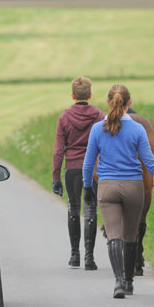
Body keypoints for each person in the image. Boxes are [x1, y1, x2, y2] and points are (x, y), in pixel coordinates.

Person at [82, 85, 154, 298]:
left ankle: (118, 283)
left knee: (113, 235)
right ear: (129, 103)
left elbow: (88, 164)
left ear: (108, 102)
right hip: (134, 187)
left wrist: (88, 188)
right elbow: (150, 163)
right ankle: (129, 280)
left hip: (107, 188)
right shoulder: (138, 130)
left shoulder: (97, 129)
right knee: (131, 235)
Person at [52, 76, 105, 270]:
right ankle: (89, 258)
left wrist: (56, 177)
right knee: (91, 209)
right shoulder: (99, 116)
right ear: (90, 94)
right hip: (94, 168)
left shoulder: (64, 118)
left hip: (72, 168)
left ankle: (75, 255)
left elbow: (58, 150)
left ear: (72, 95)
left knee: (73, 208)